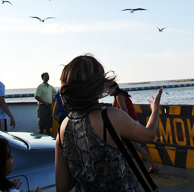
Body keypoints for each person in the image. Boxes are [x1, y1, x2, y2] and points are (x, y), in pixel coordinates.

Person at [55, 54, 162, 192]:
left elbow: (62, 187)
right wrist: (155, 109)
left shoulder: (63, 128)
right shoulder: (111, 116)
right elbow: (149, 135)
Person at [107, 81, 159, 174]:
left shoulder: (120, 96)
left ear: (114, 88)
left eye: (108, 88)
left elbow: (124, 112)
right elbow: (113, 108)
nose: (106, 91)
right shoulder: (118, 96)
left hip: (130, 123)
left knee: (137, 146)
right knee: (134, 146)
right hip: (130, 122)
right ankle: (152, 166)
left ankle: (153, 166)